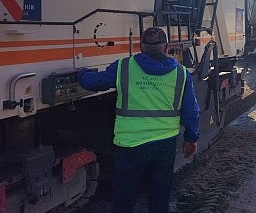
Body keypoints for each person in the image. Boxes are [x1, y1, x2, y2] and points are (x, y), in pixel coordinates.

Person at [78, 27, 200, 213]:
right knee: (159, 200)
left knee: (123, 201)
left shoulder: (124, 67)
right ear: (166, 46)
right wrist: (191, 139)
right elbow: (191, 111)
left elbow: (92, 83)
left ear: (140, 46)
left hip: (129, 147)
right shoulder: (181, 74)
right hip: (164, 146)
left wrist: (82, 73)